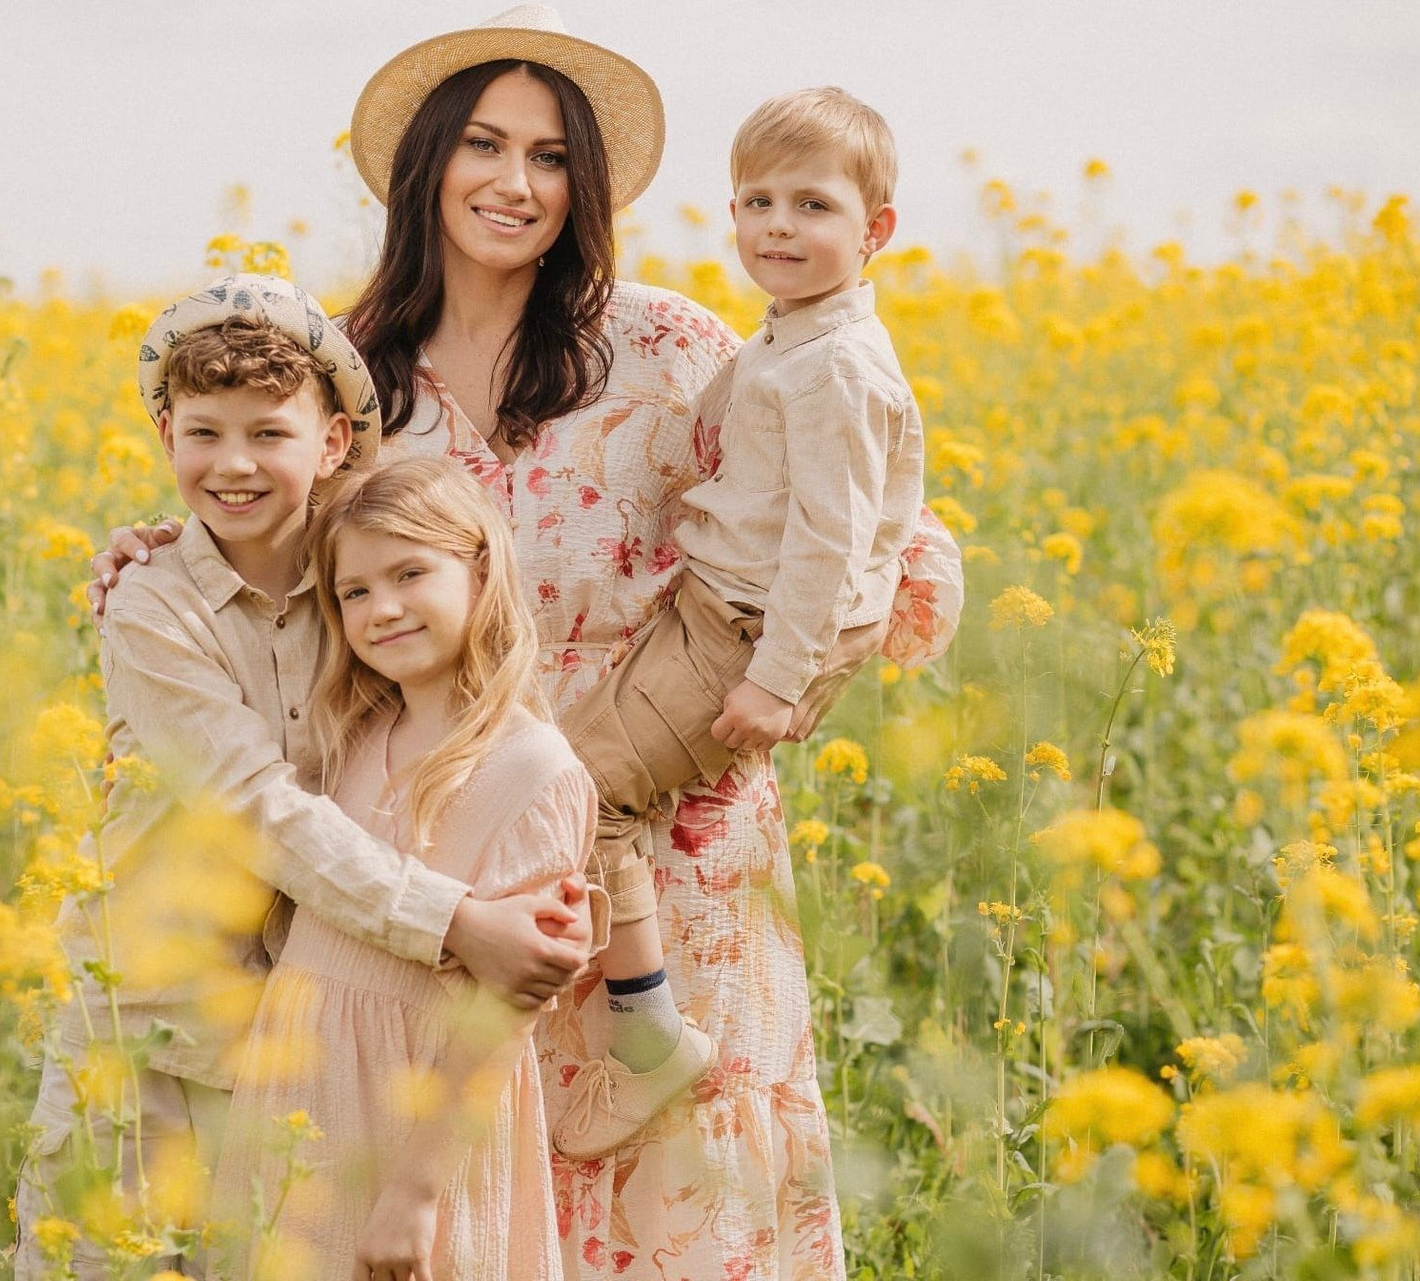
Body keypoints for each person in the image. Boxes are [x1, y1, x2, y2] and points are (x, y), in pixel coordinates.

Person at [92, 8, 962, 1275]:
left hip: (673, 855)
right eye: (485, 146)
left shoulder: (668, 348)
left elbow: (882, 532)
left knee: (689, 1213)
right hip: (451, 880)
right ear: (428, 162)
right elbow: (260, 526)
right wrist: (158, 553)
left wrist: (784, 677)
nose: (516, 183)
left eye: (551, 157)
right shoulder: (355, 381)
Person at [17, 276, 591, 1280]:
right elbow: (258, 809)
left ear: (331, 444)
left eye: (268, 434)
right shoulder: (153, 605)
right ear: (166, 437)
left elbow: (459, 711)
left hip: (296, 1053)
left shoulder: (359, 593)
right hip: (143, 1026)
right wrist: (460, 923)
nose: (233, 464)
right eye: (204, 434)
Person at [550, 84, 930, 1159]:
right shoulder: (791, 338)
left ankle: (650, 1037)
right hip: (722, 612)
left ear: (876, 230)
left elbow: (832, 542)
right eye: (757, 203)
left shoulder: (836, 368)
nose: (777, 227)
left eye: (812, 206)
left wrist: (777, 677)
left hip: (749, 632)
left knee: (579, 797)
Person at [210, 458, 589, 1281]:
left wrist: (415, 1191)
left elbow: (505, 1006)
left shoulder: (532, 766)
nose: (381, 608)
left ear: (480, 570)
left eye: (410, 573)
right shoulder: (350, 734)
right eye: (354, 591)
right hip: (305, 1087)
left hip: (420, 1123)